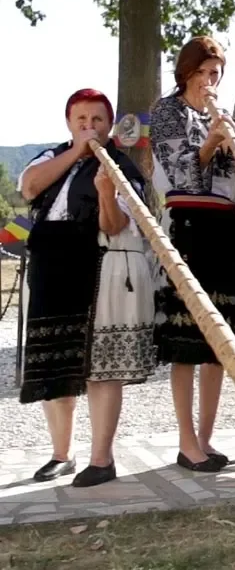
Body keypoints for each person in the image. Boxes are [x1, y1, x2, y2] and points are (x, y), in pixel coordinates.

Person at [17, 88, 154, 487]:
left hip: (97, 265)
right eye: (81, 120)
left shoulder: (123, 168)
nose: (89, 127)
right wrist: (78, 151)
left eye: (96, 120)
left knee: (99, 367)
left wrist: (105, 193)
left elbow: (115, 226)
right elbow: (28, 188)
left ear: (109, 125)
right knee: (53, 359)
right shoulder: (51, 155)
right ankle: (61, 454)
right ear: (69, 123)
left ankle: (101, 458)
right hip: (50, 266)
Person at [150, 36, 235, 472]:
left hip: (224, 227)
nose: (210, 81)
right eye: (204, 72)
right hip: (187, 225)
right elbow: (183, 173)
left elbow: (232, 178)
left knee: (218, 344)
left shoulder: (220, 116)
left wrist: (229, 140)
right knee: (188, 341)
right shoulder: (166, 112)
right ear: (187, 72)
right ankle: (186, 442)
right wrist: (210, 141)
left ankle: (206, 438)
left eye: (216, 74)